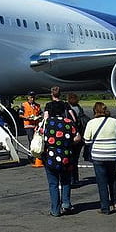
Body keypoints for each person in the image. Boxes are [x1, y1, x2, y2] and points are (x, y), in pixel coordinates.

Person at [40, 86, 80, 216]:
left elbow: (40, 137)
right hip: (66, 156)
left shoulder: (47, 123)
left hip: (50, 157)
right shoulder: (68, 123)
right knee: (66, 181)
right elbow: (78, 138)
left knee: (53, 184)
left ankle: (55, 210)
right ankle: (66, 204)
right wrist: (68, 142)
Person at [83, 101, 116, 214]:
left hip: (99, 156)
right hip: (113, 154)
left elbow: (87, 140)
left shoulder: (91, 123)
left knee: (102, 182)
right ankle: (115, 203)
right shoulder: (114, 121)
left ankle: (105, 207)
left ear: (95, 111)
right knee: (113, 179)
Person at [66, 92, 87, 184]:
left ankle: (71, 179)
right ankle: (75, 178)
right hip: (80, 136)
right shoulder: (79, 108)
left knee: (70, 159)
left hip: (72, 137)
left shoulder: (68, 110)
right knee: (75, 159)